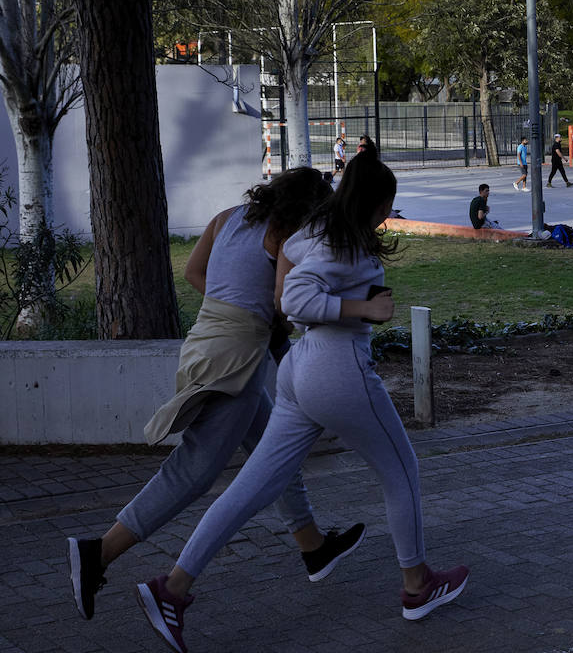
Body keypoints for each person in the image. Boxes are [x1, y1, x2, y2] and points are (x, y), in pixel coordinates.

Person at [136, 150, 470, 653]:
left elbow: (286, 253)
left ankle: (173, 587)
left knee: (249, 489)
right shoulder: (346, 247)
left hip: (297, 372)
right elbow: (295, 300)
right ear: (375, 201)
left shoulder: (314, 231)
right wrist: (366, 308)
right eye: (388, 203)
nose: (388, 213)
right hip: (339, 369)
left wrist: (291, 288)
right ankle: (418, 584)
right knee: (402, 471)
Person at [66, 168, 363, 622]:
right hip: (236, 365)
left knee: (275, 452)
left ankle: (314, 548)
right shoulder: (285, 234)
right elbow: (289, 303)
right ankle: (100, 553)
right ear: (306, 209)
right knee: (193, 472)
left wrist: (234, 308)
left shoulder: (227, 218)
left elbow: (193, 271)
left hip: (206, 344)